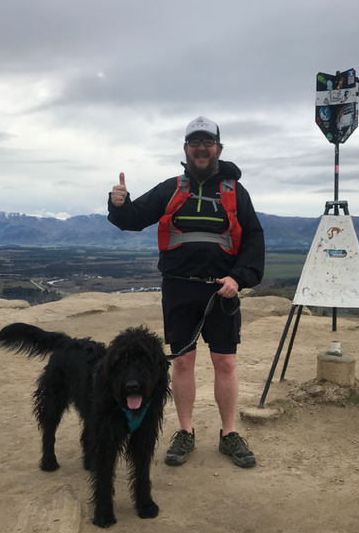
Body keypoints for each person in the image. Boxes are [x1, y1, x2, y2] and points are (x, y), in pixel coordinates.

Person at [107, 116, 265, 468]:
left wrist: (238, 278)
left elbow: (254, 239)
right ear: (186, 149)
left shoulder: (236, 192)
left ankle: (228, 434)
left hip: (221, 292)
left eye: (207, 142)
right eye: (194, 142)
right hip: (178, 290)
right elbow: (133, 217)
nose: (201, 148)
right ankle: (185, 431)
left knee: (225, 362)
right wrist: (118, 203)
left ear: (219, 150)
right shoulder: (171, 188)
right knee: (182, 362)